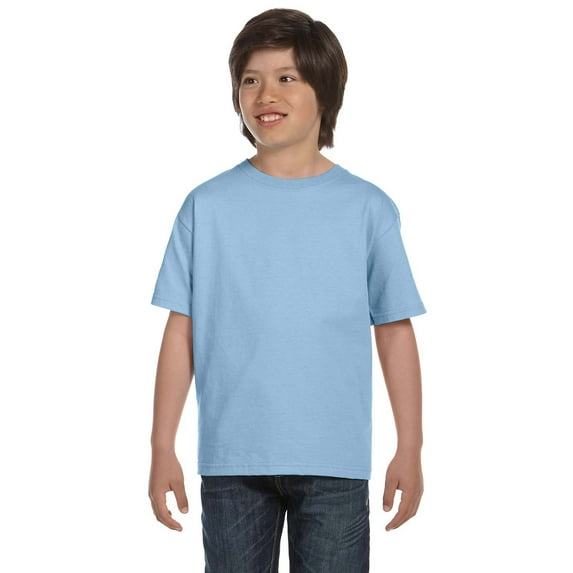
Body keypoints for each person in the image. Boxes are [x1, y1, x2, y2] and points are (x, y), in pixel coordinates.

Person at [148, 8, 426, 572]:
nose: (265, 94)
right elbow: (182, 330)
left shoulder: (368, 208)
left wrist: (411, 447)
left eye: (286, 77)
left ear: (325, 90)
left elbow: (395, 330)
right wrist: (161, 447)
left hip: (334, 461)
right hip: (232, 460)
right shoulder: (206, 206)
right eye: (250, 79)